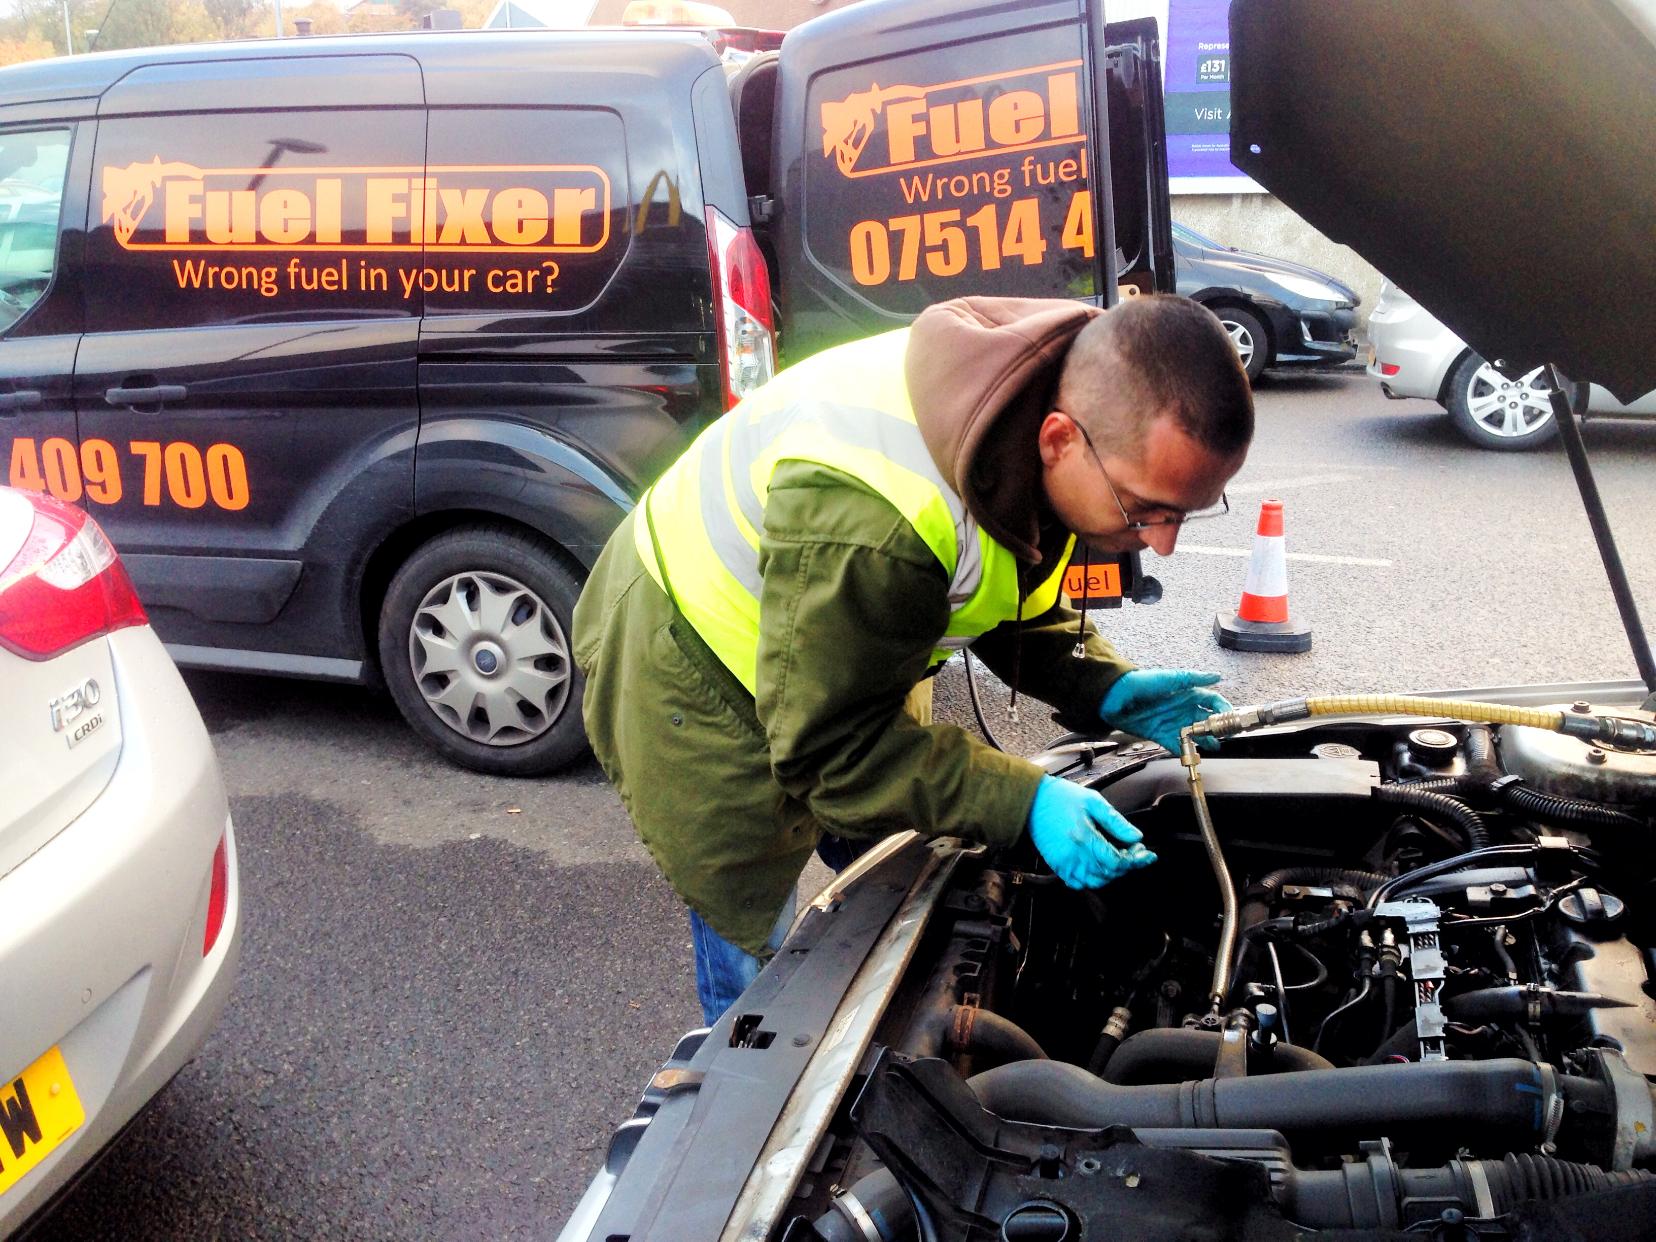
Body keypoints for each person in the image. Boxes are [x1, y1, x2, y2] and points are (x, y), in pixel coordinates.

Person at [573, 294, 1254, 1024]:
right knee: (754, 938)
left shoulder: (1047, 398)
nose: (1163, 544)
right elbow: (832, 752)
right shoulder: (881, 520)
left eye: (1185, 512)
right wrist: (1022, 799)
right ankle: (736, 1073)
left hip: (836, 632)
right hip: (693, 659)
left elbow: (995, 582)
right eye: (1145, 509)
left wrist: (1107, 685)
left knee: (898, 849)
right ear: (1058, 441)